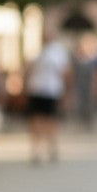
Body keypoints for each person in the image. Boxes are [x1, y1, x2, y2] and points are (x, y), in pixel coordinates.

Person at [25, 33, 71, 163]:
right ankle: (40, 149)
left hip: (47, 90)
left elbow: (64, 73)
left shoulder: (54, 52)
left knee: (46, 120)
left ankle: (48, 148)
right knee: (39, 120)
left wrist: (66, 91)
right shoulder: (39, 52)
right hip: (41, 89)